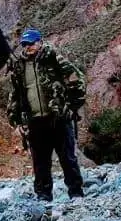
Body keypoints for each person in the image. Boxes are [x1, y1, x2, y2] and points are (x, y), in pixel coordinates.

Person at [6, 28, 86, 201]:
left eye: (32, 43)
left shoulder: (53, 58)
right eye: (25, 44)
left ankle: (76, 193)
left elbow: (77, 79)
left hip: (58, 117)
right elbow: (15, 94)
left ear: (40, 42)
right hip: (35, 121)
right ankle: (43, 196)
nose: (28, 47)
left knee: (68, 158)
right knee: (40, 162)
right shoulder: (19, 66)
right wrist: (16, 120)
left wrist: (72, 107)